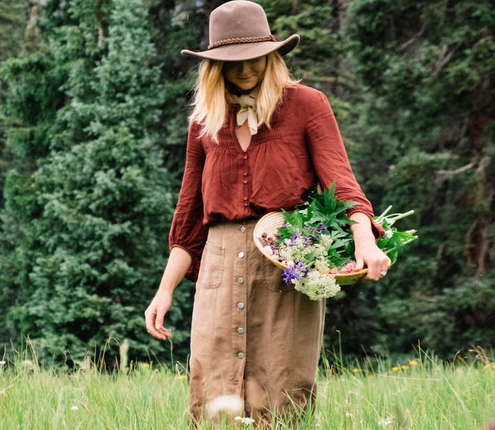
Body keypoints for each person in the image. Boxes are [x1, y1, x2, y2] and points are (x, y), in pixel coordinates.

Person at [144, 0, 390, 425]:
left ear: (272, 54)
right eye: (232, 62)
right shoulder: (203, 124)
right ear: (214, 66)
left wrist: (365, 242)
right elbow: (188, 221)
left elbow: (342, 185)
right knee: (213, 389)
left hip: (285, 264)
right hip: (218, 272)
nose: (244, 70)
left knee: (283, 387)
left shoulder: (307, 105)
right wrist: (164, 291)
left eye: (254, 59)